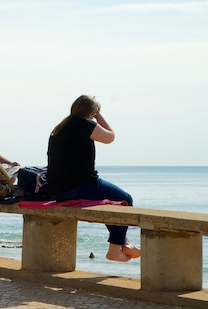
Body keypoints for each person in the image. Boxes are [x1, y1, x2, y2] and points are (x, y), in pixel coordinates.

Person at [48, 95, 140, 263]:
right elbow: (110, 137)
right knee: (125, 200)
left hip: (58, 191)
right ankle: (114, 249)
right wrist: (99, 115)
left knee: (110, 202)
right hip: (81, 185)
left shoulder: (59, 128)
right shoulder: (84, 124)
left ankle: (124, 242)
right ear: (91, 113)